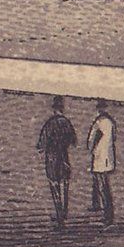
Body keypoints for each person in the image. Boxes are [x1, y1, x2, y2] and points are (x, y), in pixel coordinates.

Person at [37, 95, 78, 229]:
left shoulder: (49, 124)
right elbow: (74, 142)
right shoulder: (67, 123)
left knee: (54, 186)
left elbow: (40, 145)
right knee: (64, 185)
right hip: (64, 157)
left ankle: (59, 215)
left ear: (54, 109)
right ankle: (64, 213)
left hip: (52, 158)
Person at [86, 99, 117, 226]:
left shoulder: (98, 122)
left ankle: (106, 214)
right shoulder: (111, 122)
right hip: (109, 157)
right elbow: (114, 138)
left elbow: (90, 140)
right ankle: (105, 210)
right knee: (105, 185)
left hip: (99, 157)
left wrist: (91, 150)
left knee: (102, 186)